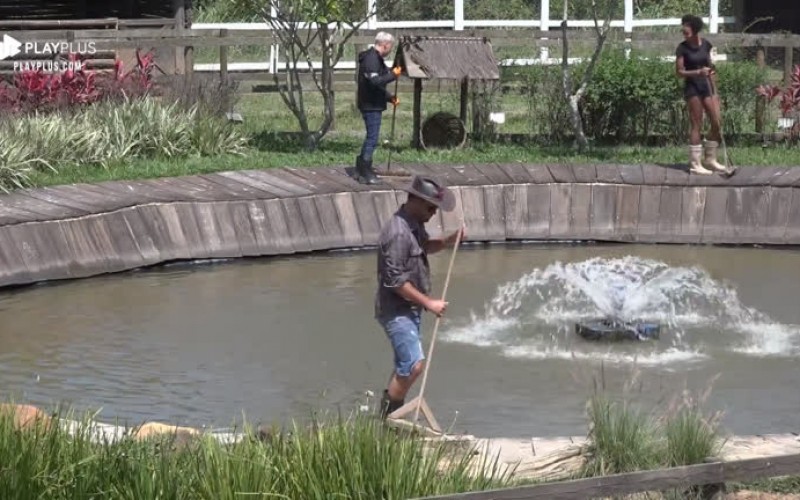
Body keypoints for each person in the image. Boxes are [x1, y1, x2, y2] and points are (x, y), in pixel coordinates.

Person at [374, 175, 465, 419]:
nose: (433, 213)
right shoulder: (398, 234)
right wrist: (429, 303)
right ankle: (389, 421)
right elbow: (395, 282)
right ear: (413, 200)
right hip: (396, 309)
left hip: (409, 309)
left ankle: (390, 417)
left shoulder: (414, 224)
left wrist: (448, 241)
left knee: (406, 365)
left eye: (435, 208)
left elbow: (424, 246)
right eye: (430, 207)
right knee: (413, 365)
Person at [675, 14, 727, 175]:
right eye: (683, 26)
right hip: (693, 88)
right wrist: (698, 71)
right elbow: (679, 72)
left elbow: (711, 66)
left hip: (707, 86)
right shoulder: (682, 48)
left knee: (717, 121)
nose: (684, 29)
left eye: (687, 26)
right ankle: (695, 163)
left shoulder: (706, 45)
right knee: (696, 124)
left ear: (696, 28)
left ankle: (710, 159)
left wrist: (713, 80)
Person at [355, 32, 402, 185]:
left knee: (371, 137)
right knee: (372, 139)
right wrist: (393, 76)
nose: (390, 50)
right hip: (370, 105)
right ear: (385, 45)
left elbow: (377, 84)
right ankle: (365, 172)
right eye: (390, 47)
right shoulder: (371, 60)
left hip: (373, 102)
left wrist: (389, 98)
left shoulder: (375, 58)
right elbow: (375, 82)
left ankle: (360, 168)